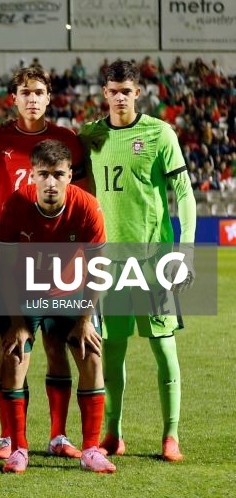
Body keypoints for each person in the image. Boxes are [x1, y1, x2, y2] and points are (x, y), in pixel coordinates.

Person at [79, 60, 196, 462]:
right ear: (104, 92)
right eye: (113, 90)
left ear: (138, 92)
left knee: (164, 349)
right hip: (108, 264)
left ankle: (171, 435)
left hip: (153, 261)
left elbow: (185, 194)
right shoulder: (91, 135)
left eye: (127, 90)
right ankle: (113, 433)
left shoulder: (160, 133)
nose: (120, 97)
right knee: (112, 352)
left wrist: (186, 249)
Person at [0, 139, 116, 474]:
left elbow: (98, 268)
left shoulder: (88, 207)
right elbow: (5, 268)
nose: (51, 182)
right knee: (15, 354)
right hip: (26, 286)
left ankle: (91, 449)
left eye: (58, 174)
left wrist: (85, 321)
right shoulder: (14, 206)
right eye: (44, 174)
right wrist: (18, 321)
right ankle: (19, 448)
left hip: (73, 287)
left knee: (90, 352)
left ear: (70, 175)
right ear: (31, 175)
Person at [0, 66, 86, 460]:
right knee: (13, 344)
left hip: (60, 256)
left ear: (49, 97)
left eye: (39, 92)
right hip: (17, 252)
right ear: (15, 97)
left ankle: (58, 436)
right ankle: (11, 437)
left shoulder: (67, 139)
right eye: (25, 91)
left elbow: (83, 186)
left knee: (57, 345)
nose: (32, 98)